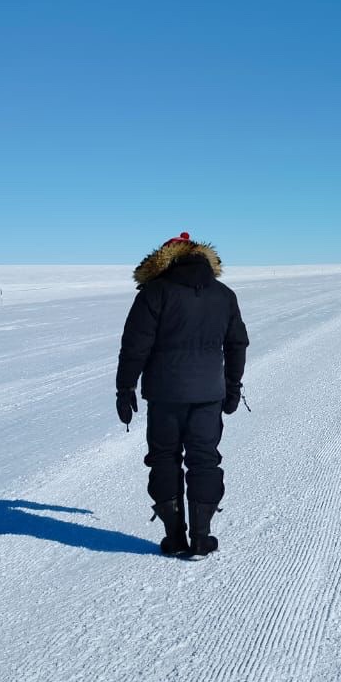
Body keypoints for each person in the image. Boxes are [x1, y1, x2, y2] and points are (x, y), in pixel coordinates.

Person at [115, 232, 250, 558]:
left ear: (165, 259)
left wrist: (125, 387)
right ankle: (201, 538)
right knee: (204, 459)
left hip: (164, 395)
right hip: (208, 393)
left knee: (165, 459)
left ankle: (175, 538)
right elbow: (237, 345)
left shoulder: (154, 293)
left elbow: (135, 345)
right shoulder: (224, 295)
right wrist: (233, 386)